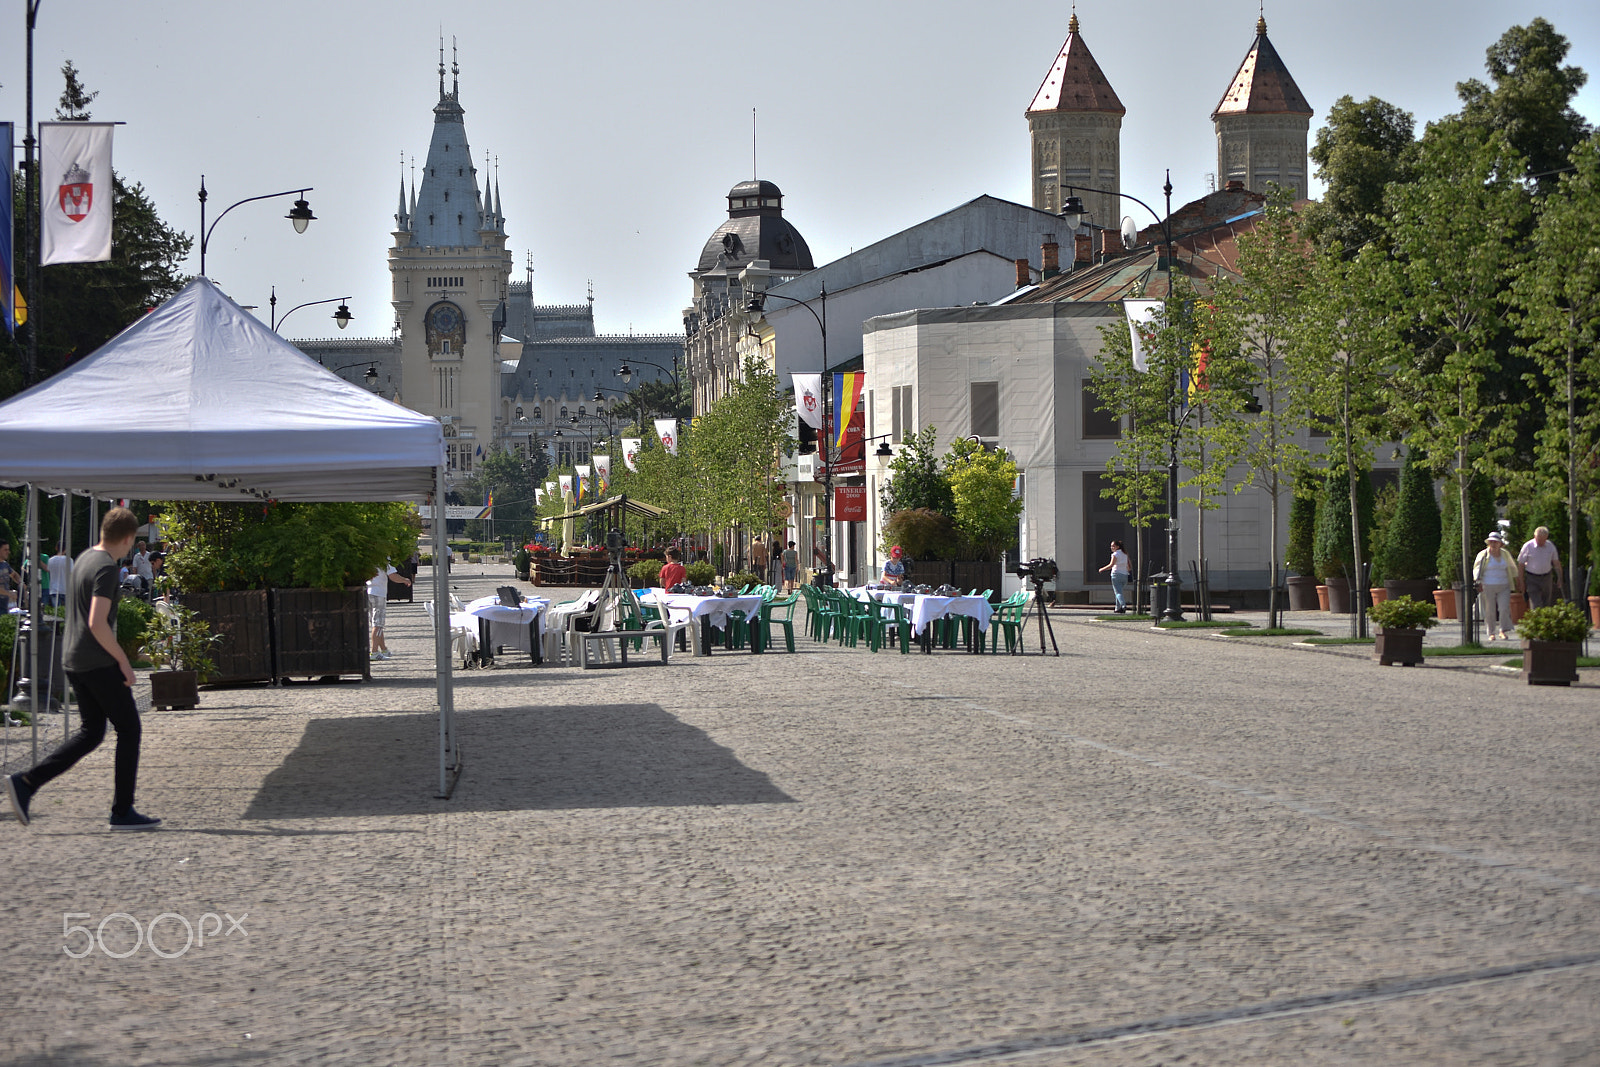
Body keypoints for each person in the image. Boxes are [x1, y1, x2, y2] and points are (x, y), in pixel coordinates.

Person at [4, 507, 160, 831]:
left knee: (91, 733)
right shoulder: (105, 567)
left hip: (73, 659)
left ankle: (27, 782)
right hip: (97, 661)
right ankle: (122, 811)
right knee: (129, 729)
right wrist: (122, 661)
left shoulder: (86, 557)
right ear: (129, 539)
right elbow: (96, 622)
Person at [1473, 531, 1521, 641]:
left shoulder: (1505, 554)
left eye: (1496, 542)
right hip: (1487, 585)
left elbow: (1513, 568)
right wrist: (1478, 581)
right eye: (1491, 542)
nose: (1493, 544)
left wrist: (1518, 580)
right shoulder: (1483, 554)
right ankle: (1491, 632)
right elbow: (1476, 569)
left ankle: (1502, 630)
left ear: (1500, 544)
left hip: (1504, 585)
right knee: (1489, 610)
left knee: (1504, 608)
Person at [367, 561, 411, 660]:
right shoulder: (384, 559)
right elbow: (392, 575)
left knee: (375, 623)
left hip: (367, 591)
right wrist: (405, 580)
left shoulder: (368, 556)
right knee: (378, 624)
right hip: (379, 593)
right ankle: (374, 652)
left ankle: (383, 649)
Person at [1517, 526, 1565, 609]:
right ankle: (1536, 620)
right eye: (1539, 539)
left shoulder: (1550, 546)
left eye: (1543, 540)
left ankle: (1544, 621)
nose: (1541, 542)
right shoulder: (1528, 546)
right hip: (1532, 578)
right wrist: (1521, 582)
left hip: (1547, 577)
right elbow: (1521, 565)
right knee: (1536, 604)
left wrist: (1560, 578)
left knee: (1547, 602)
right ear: (1535, 536)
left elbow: (1556, 563)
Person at [1098, 539, 1131, 613]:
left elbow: (1111, 565)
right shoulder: (1125, 554)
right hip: (1125, 575)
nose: (1112, 547)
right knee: (1120, 591)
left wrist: (1102, 569)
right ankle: (1117, 608)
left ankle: (1123, 605)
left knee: (1118, 592)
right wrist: (1127, 571)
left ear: (1118, 547)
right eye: (1111, 546)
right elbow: (1128, 565)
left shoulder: (1115, 554)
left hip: (1116, 574)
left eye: (1113, 546)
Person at [0, 542, 17, 614]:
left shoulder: (5, 564)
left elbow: (14, 574)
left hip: (4, 604)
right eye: (5, 550)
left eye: (8, 550)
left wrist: (21, 583)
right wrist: (9, 594)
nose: (8, 552)